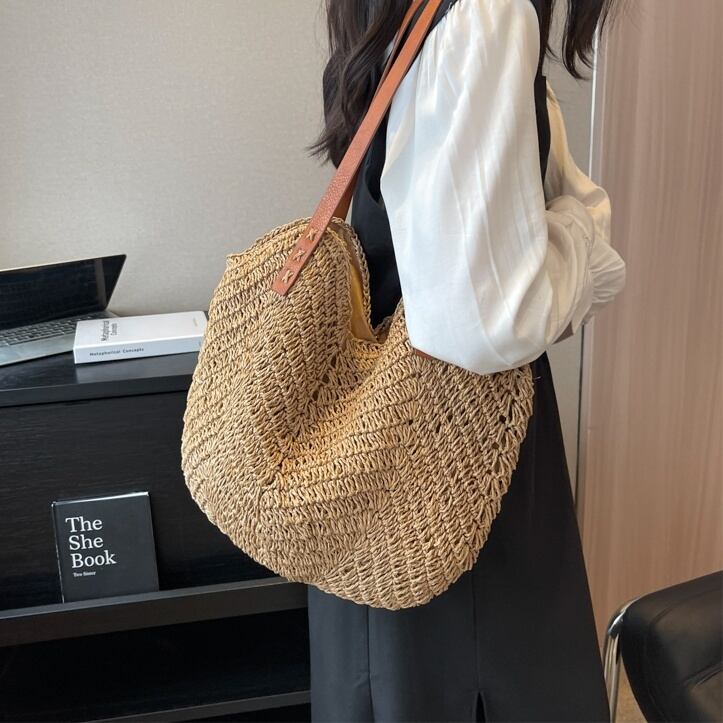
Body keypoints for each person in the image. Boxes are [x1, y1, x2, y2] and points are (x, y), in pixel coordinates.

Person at [306, 0, 627, 720]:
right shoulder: (487, 13)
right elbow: (487, 322)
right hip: (466, 478)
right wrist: (584, 231)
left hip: (384, 468)